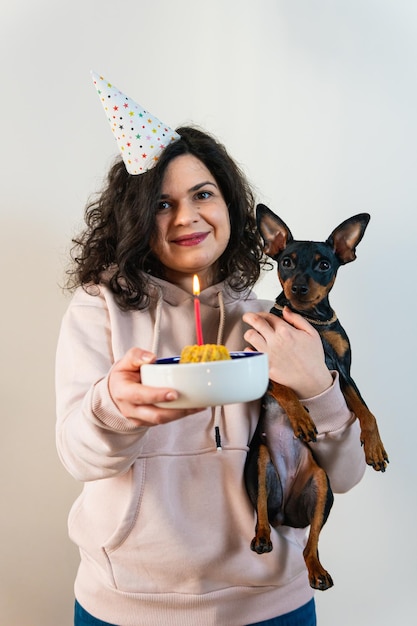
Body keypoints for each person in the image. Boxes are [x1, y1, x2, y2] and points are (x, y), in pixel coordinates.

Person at [56, 79, 366, 626]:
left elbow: (343, 476)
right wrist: (116, 407)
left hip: (272, 601)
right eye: (161, 203)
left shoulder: (280, 322)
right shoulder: (98, 308)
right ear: (134, 218)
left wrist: (318, 386)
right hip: (128, 603)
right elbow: (79, 456)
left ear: (229, 204)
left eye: (203, 194)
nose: (186, 217)